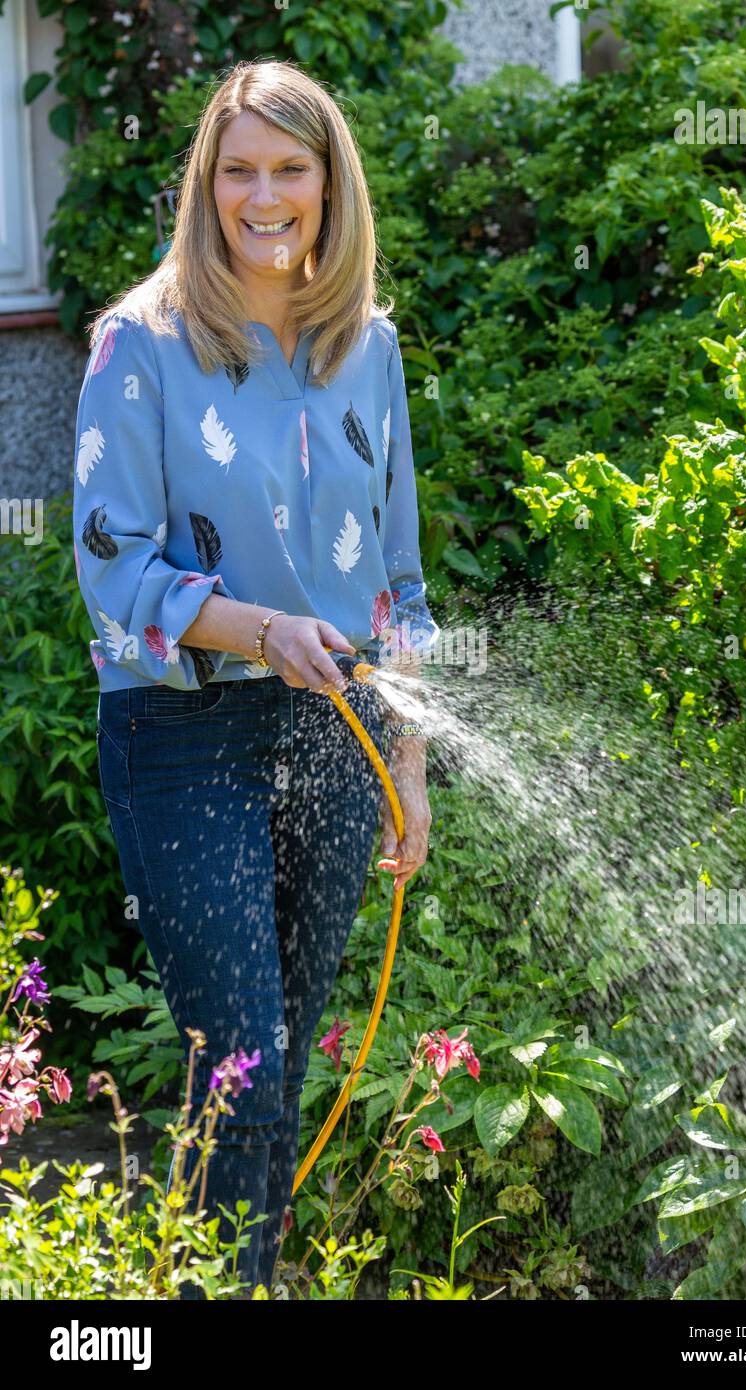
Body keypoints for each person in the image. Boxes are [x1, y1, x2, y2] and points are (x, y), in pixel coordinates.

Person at [71, 57, 439, 1297]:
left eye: (291, 168)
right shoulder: (141, 341)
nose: (263, 195)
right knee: (241, 1051)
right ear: (205, 185)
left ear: (330, 186)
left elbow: (397, 577)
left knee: (275, 1063)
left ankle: (236, 1288)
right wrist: (257, 627)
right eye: (239, 170)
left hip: (338, 734)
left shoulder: (367, 345)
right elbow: (112, 565)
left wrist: (410, 763)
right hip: (182, 738)